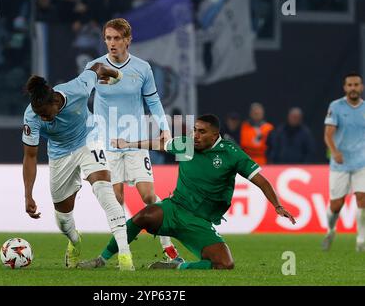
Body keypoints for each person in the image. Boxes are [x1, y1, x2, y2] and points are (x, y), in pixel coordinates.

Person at [78, 115, 296, 270]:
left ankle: (178, 266)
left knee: (225, 264)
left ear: (215, 134)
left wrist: (277, 205)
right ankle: (102, 259)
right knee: (144, 216)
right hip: (174, 209)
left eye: (202, 132)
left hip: (199, 221)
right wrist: (129, 143)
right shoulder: (187, 145)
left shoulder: (232, 154)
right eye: (194, 130)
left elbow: (262, 181)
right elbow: (160, 144)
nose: (196, 135)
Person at [85, 18, 181, 261]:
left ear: (128, 40)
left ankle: (169, 249)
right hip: (107, 145)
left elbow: (153, 101)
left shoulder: (142, 68)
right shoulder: (95, 67)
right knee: (116, 200)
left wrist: (164, 129)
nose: (112, 43)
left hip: (135, 142)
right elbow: (78, 95)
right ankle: (122, 254)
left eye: (117, 38)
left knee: (149, 196)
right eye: (108, 38)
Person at [22, 62, 134, 270]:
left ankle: (125, 255)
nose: (43, 118)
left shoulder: (78, 88)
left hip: (89, 139)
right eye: (39, 115)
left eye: (46, 114)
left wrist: (116, 75)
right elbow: (30, 156)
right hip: (59, 155)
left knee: (103, 190)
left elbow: (98, 67)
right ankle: (74, 241)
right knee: (63, 220)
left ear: (56, 100)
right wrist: (28, 194)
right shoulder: (32, 116)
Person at [322, 72, 365, 252]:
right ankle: (331, 229)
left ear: (361, 87)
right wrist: (335, 152)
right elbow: (328, 133)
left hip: (362, 163)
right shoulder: (336, 106)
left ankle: (361, 241)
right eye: (350, 85)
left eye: (356, 85)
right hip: (340, 164)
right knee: (336, 205)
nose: (353, 88)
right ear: (345, 88)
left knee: (362, 199)